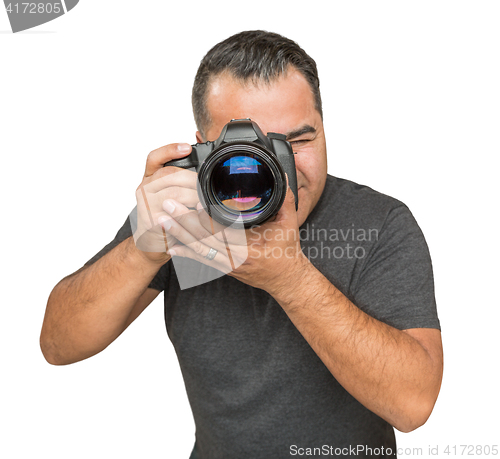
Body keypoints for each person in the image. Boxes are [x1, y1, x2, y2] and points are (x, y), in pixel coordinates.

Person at [40, 30, 443, 458]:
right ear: (203, 149)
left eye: (299, 141)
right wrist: (143, 248)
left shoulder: (377, 223)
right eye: (252, 149)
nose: (280, 168)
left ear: (325, 130)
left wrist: (290, 279)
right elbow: (59, 345)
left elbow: (413, 405)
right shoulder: (185, 215)